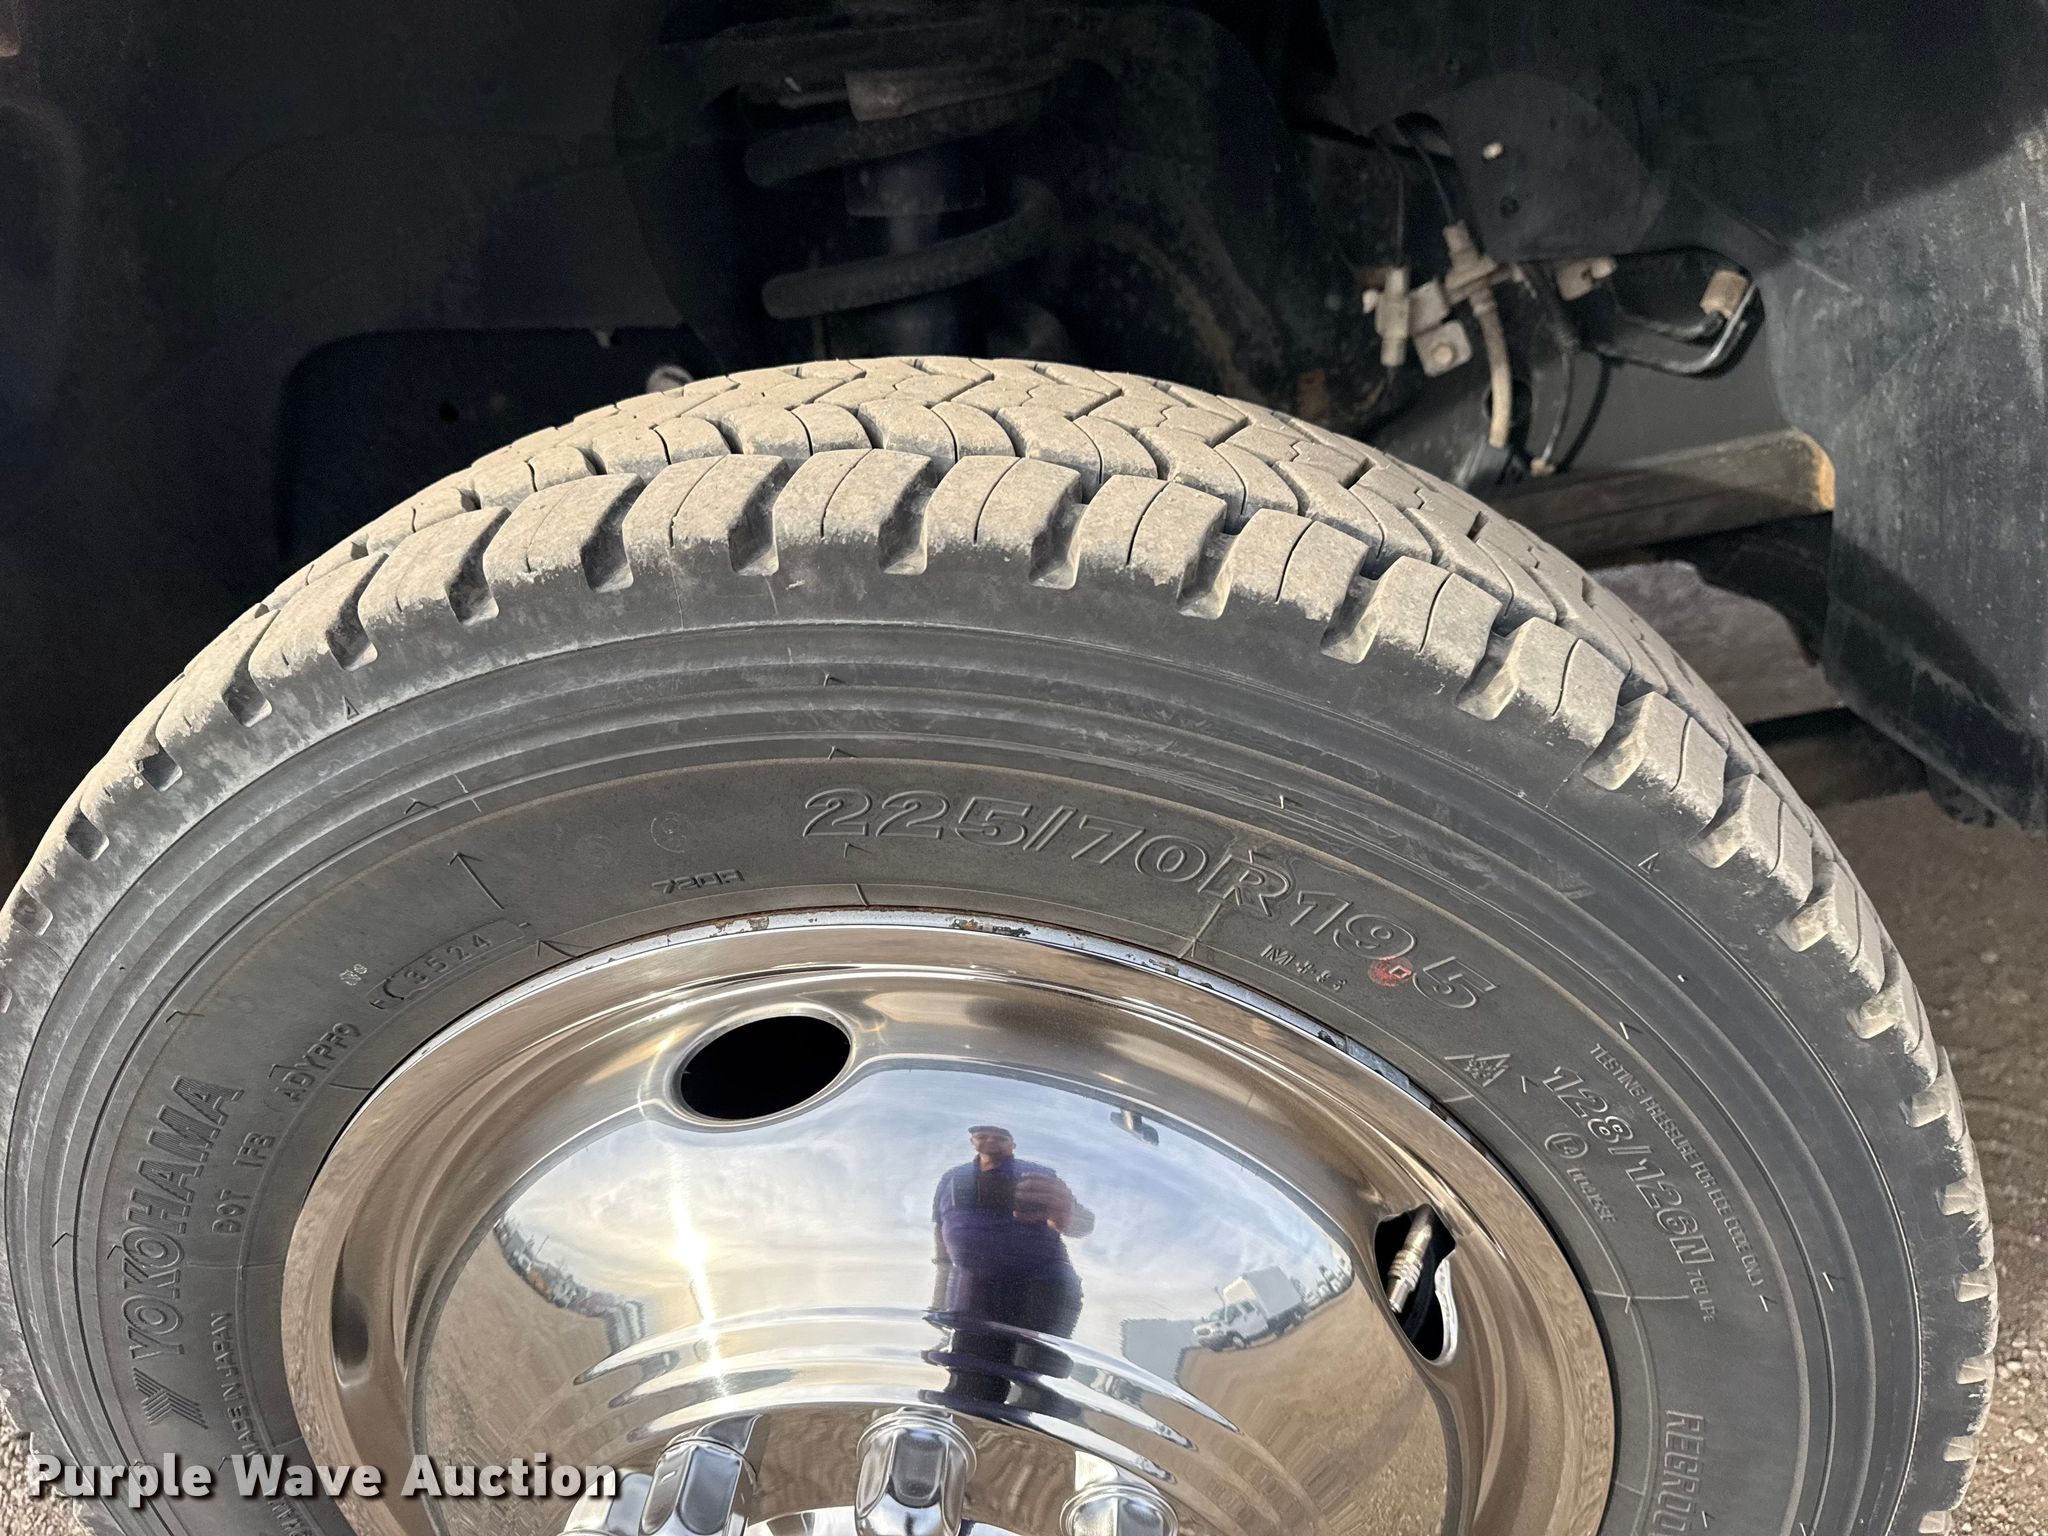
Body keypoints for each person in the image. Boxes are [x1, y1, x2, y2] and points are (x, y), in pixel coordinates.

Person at [929, 1125, 1093, 1412]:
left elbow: (1082, 1225)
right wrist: (940, 1297)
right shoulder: (952, 1178)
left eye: (1000, 1136)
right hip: (974, 1295)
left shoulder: (1038, 1174)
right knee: (970, 1388)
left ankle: (1033, 1436)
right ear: (972, 1140)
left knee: (1039, 1386)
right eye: (983, 1135)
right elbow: (940, 1236)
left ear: (1012, 1144)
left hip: (1041, 1291)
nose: (991, 1140)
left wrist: (1067, 1211)